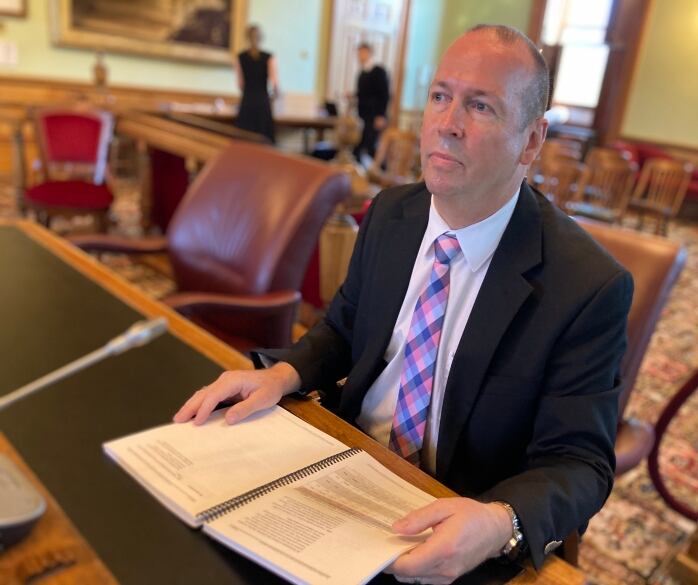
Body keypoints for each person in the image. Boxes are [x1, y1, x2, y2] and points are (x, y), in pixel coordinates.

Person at [175, 24, 633, 583]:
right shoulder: (392, 214)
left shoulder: (587, 286)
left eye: (480, 107)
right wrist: (286, 373)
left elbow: (580, 464)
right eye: (440, 97)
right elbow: (345, 328)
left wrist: (499, 521)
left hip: (458, 516)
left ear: (532, 141)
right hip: (343, 469)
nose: (447, 124)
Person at [235, 24, 279, 144]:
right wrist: (274, 98)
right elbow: (275, 84)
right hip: (262, 103)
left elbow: (240, 85)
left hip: (247, 102)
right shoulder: (268, 57)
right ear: (261, 37)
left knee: (245, 142)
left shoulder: (241, 57)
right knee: (263, 141)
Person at [354, 41, 390, 161]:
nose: (360, 56)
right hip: (363, 116)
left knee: (371, 147)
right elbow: (362, 94)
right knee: (360, 146)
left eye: (363, 53)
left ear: (369, 53)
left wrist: (381, 115)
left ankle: (382, 170)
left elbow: (384, 94)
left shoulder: (379, 71)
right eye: (359, 53)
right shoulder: (362, 73)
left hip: (375, 116)